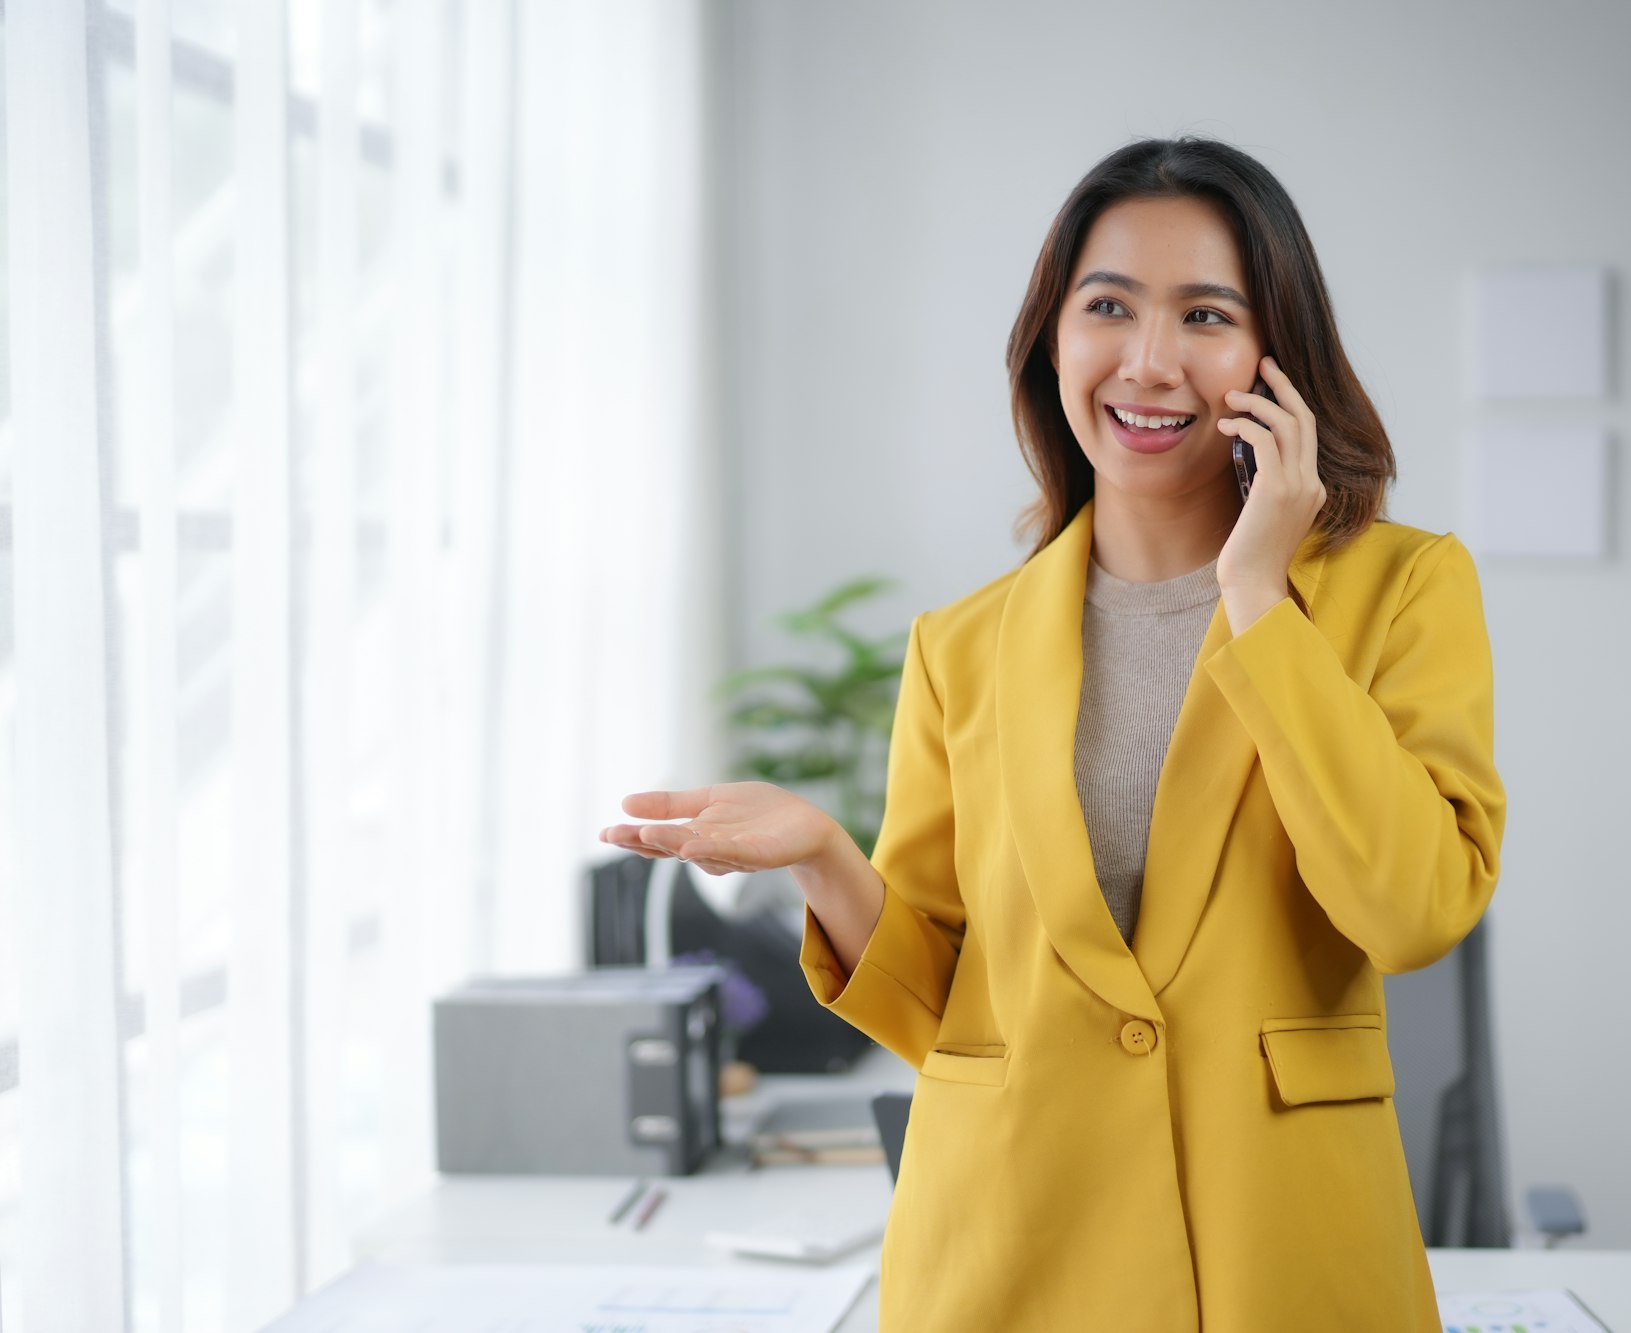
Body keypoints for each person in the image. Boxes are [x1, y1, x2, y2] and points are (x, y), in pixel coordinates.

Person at [602, 137, 1506, 1332]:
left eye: (1203, 314)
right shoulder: (960, 647)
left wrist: (1257, 600)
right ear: (1053, 338)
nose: (1147, 360)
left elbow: (1414, 910)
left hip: (1276, 1256)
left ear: (1271, 354)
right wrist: (827, 859)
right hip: (1008, 1255)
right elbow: (945, 1013)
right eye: (1108, 307)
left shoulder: (1400, 588)